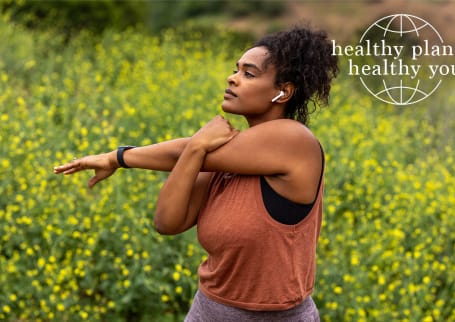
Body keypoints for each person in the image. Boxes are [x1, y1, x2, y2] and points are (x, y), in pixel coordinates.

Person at [54, 25, 338, 321]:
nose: (232, 78)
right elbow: (167, 222)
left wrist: (119, 157)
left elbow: (184, 150)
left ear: (283, 92)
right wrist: (194, 150)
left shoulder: (295, 141)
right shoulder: (219, 158)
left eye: (248, 74)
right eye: (236, 70)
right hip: (207, 311)